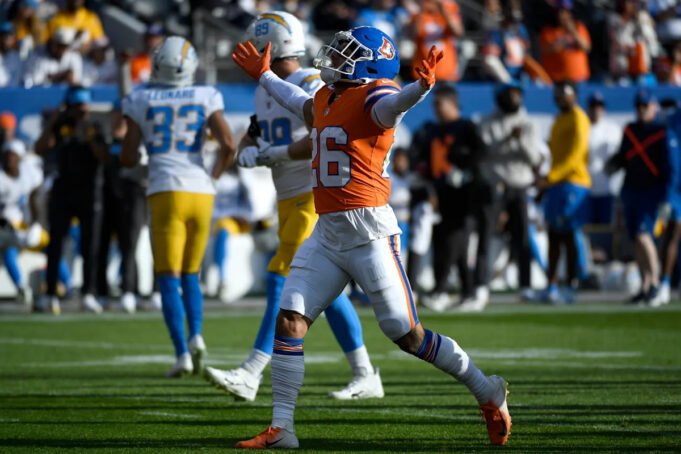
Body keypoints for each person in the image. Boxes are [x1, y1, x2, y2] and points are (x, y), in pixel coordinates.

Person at [231, 25, 511, 448]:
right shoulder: (327, 97)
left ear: (370, 64)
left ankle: (486, 389)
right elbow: (296, 101)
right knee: (290, 319)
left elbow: (396, 105)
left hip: (369, 233)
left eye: (347, 51)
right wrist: (265, 75)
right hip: (328, 232)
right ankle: (282, 428)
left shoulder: (376, 98)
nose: (335, 56)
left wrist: (421, 87)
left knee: (407, 334)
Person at [204, 12, 384, 402]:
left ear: (267, 44)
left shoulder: (311, 83)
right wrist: (249, 149)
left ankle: (251, 372)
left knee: (281, 278)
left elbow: (323, 134)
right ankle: (365, 373)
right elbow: (256, 132)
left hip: (312, 197)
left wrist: (276, 153)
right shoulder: (263, 89)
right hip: (286, 198)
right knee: (327, 292)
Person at [120, 37, 236, 377]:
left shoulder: (140, 98)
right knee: (191, 275)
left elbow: (127, 156)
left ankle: (182, 352)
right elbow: (228, 144)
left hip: (165, 190)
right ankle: (197, 334)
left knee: (169, 278)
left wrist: (139, 157)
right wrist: (213, 177)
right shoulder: (205, 95)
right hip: (200, 191)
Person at [34, 86, 107, 315]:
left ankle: (89, 293)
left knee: (90, 245)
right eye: (76, 108)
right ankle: (50, 293)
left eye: (83, 108)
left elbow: (103, 156)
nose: (80, 112)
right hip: (64, 190)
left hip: (89, 191)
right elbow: (40, 148)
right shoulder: (61, 126)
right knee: (56, 243)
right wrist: (53, 121)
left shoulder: (95, 126)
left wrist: (88, 132)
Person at [410, 84, 481, 312]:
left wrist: (465, 172)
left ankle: (441, 289)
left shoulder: (466, 127)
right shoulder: (432, 130)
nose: (436, 108)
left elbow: (482, 154)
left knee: (454, 242)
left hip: (464, 196)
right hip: (441, 194)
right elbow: (423, 161)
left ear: (452, 103)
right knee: (448, 244)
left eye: (439, 103)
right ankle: (467, 292)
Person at [607, 91, 679, 306]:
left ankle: (656, 282)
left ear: (653, 107)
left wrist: (667, 197)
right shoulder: (630, 130)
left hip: (651, 192)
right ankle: (645, 284)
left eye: (645, 106)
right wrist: (614, 164)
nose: (642, 110)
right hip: (631, 189)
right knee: (634, 238)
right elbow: (624, 156)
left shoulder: (662, 132)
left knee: (643, 234)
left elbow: (671, 168)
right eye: (639, 106)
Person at [479, 83, 543, 306]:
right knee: (485, 235)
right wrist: (507, 139)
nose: (514, 99)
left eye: (517, 95)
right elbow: (485, 153)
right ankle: (480, 286)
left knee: (522, 237)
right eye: (509, 95)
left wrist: (519, 140)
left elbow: (534, 158)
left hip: (519, 186)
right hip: (496, 185)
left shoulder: (528, 124)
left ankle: (525, 286)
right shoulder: (487, 122)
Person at [538, 81, 591, 304]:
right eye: (558, 93)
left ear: (575, 96)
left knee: (569, 234)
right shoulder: (559, 119)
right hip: (557, 183)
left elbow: (575, 157)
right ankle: (551, 285)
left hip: (573, 182)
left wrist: (550, 177)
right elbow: (554, 153)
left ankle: (571, 284)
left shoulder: (579, 117)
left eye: (565, 93)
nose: (560, 97)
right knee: (553, 234)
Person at [0, 139, 44, 306]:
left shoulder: (27, 175)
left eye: (13, 155)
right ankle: (21, 287)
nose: (9, 159)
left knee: (50, 244)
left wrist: (36, 224)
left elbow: (35, 197)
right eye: (7, 155)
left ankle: (66, 286)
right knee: (9, 248)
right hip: (6, 229)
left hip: (24, 226)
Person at [586, 92, 622, 262]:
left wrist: (610, 171)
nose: (596, 110)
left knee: (607, 228)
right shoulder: (582, 128)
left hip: (606, 188)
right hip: (585, 188)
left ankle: (607, 258)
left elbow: (618, 158)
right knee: (587, 228)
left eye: (599, 106)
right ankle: (588, 259)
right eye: (593, 106)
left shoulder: (612, 130)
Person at [208, 166, 252, 303]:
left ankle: (222, 277)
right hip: (219, 220)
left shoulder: (241, 180)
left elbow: (249, 205)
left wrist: (241, 215)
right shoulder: (214, 178)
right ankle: (220, 277)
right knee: (222, 231)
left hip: (236, 221)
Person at [408, 0, 463, 82]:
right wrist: (422, 11)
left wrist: (443, 10)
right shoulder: (419, 16)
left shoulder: (447, 14)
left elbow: (458, 32)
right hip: (423, 72)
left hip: (446, 72)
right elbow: (413, 34)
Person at [608, 0, 660, 83]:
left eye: (635, 2)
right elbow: (617, 40)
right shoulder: (615, 19)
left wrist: (641, 20)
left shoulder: (642, 18)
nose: (633, 5)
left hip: (641, 68)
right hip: (622, 67)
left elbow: (650, 41)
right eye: (630, 2)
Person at [539, 0, 591, 83]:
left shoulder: (579, 27)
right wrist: (564, 40)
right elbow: (547, 50)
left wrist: (573, 31)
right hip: (556, 79)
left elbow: (586, 47)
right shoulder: (548, 30)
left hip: (580, 78)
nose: (562, 15)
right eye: (560, 12)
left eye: (566, 12)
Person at [0, 21, 21, 87]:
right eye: (4, 35)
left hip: (14, 92)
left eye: (10, 35)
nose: (7, 38)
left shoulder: (18, 56)